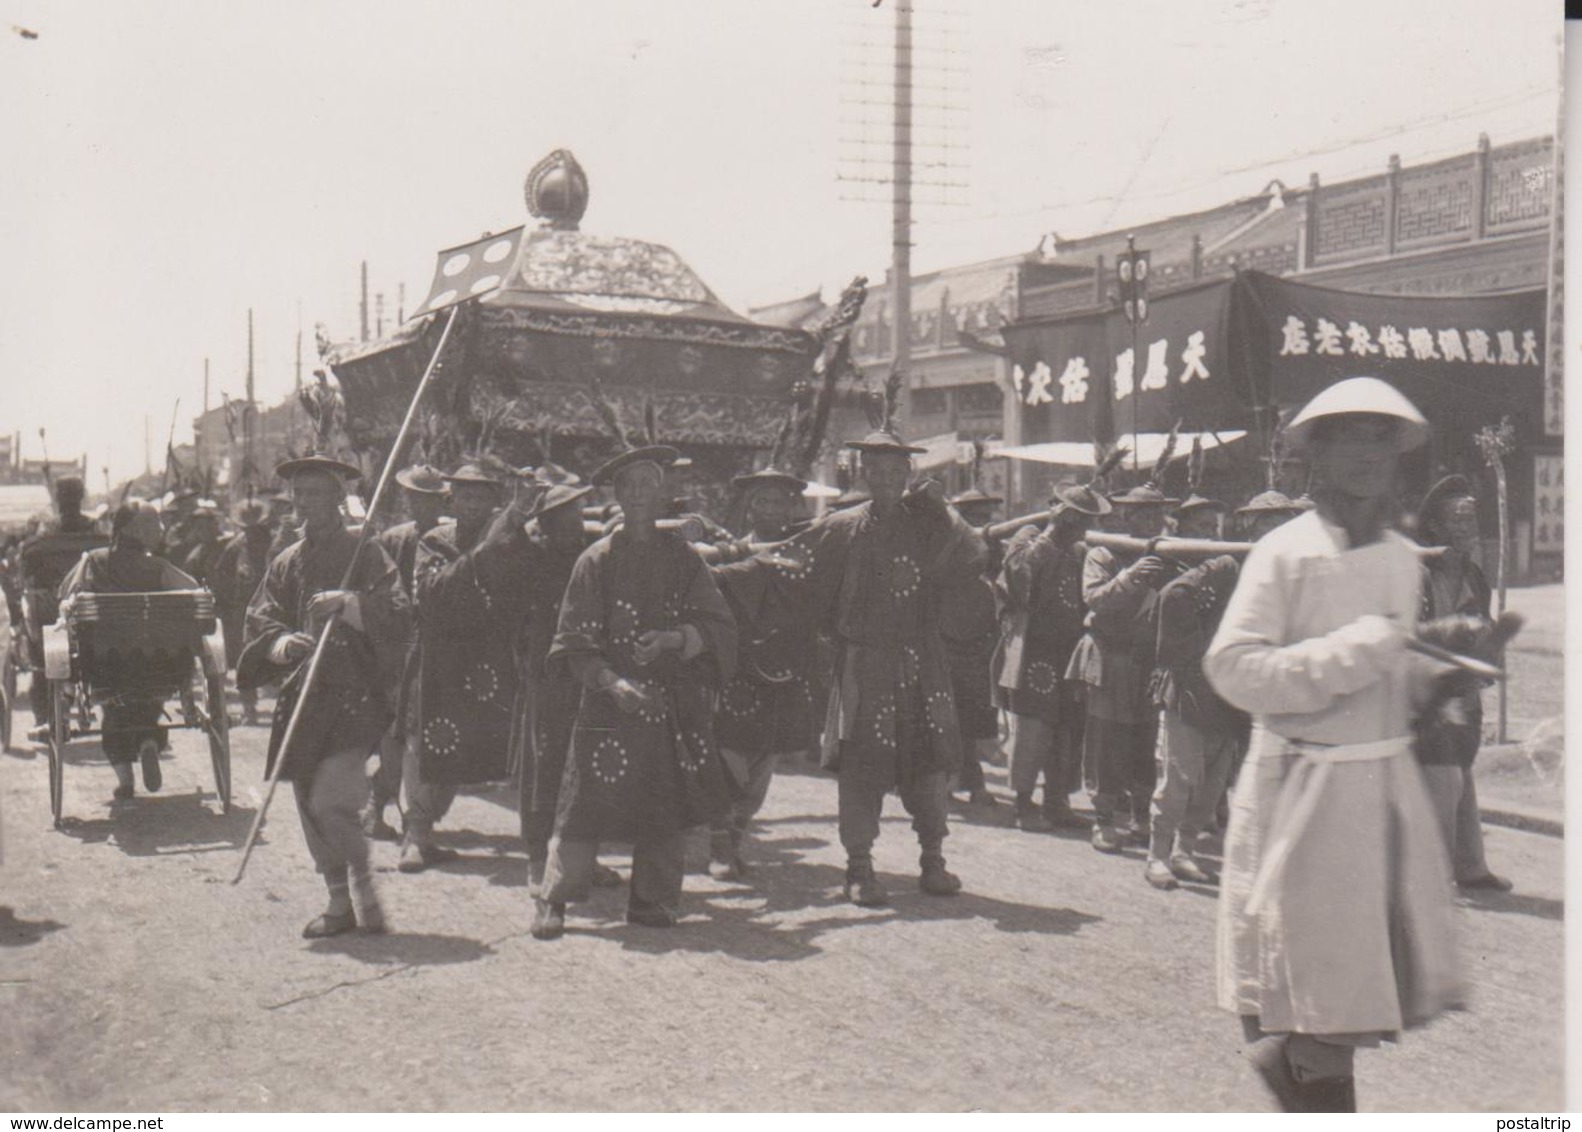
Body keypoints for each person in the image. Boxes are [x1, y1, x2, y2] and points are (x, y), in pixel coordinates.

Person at [1204, 377, 1465, 1112]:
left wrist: (1430, 672)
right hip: (1299, 794)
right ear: (1316, 450)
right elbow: (1232, 668)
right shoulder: (1283, 553)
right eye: (1349, 435)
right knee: (1310, 1010)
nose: (1367, 453)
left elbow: (1388, 675)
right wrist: (1353, 651)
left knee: (1343, 1007)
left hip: (1377, 801)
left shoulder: (1400, 555)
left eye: (1381, 437)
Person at [714, 410, 984, 906]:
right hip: (864, 665)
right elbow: (788, 562)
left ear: (908, 475)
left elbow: (973, 557)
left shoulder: (928, 522)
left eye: (894, 471)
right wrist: (727, 569)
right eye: (874, 470)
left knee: (928, 766)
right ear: (863, 473)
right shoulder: (842, 526)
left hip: (923, 664)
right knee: (863, 768)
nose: (884, 478)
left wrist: (944, 510)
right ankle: (859, 868)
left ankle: (933, 862)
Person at [533, 443, 737, 940]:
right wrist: (610, 680)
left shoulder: (685, 560)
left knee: (663, 798)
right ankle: (555, 898)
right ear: (617, 495)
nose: (641, 493)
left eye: (650, 483)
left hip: (668, 703)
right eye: (630, 485)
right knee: (582, 800)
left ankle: (651, 899)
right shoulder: (595, 561)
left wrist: (676, 638)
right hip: (605, 701)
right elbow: (572, 640)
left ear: (664, 490)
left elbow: (718, 624)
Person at [237, 454, 409, 939]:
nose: (305, 502)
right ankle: (341, 903)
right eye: (299, 494)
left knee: (332, 796)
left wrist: (351, 604)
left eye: (316, 492)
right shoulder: (287, 561)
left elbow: (399, 611)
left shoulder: (367, 552)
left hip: (355, 694)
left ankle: (362, 889)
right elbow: (262, 616)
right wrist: (282, 643)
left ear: (338, 497)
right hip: (304, 697)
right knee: (310, 801)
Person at [398, 463, 520, 873]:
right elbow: (431, 592)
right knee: (426, 743)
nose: (473, 504)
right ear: (453, 499)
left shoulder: (512, 541)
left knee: (468, 743)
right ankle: (417, 834)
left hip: (488, 657)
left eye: (482, 496)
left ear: (494, 502)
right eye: (465, 495)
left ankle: (430, 827)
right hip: (438, 657)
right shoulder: (434, 540)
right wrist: (483, 555)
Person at [707, 466, 820, 879]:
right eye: (762, 501)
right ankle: (720, 843)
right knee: (730, 755)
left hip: (785, 670)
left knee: (765, 760)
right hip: (737, 670)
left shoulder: (807, 554)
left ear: (791, 508)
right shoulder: (730, 552)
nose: (771, 509)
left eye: (779, 502)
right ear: (750, 507)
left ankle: (735, 840)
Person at [58, 500, 198, 801]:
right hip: (160, 662)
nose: (161, 529)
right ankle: (149, 741)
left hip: (104, 662)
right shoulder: (158, 566)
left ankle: (125, 780)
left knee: (114, 712)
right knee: (147, 705)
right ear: (139, 531)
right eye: (155, 524)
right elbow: (192, 592)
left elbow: (66, 594)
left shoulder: (93, 561)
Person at [1413, 474, 1512, 893]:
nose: (1467, 529)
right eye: (1458, 520)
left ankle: (1470, 865)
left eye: (1472, 520)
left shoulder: (1474, 575)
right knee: (1437, 777)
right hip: (1425, 688)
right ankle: (1430, 871)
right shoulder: (1419, 573)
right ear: (1434, 527)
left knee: (1462, 771)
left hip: (1462, 689)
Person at [1067, 481, 1177, 854]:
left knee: (1144, 741)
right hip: (1109, 657)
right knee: (1106, 741)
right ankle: (1104, 819)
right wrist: (1131, 577)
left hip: (1146, 661)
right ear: (1126, 515)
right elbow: (1094, 597)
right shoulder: (1104, 553)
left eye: (1157, 513)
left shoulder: (1172, 554)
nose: (1151, 520)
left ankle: (1141, 816)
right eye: (1142, 512)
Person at [993, 481, 1109, 832]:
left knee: (1068, 728)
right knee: (1034, 728)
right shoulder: (1029, 541)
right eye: (1078, 519)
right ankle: (1023, 805)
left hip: (1069, 649)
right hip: (1034, 651)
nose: (1084, 527)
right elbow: (1018, 582)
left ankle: (1057, 802)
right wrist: (1049, 535)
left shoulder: (1079, 552)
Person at [1144, 488, 1240, 890]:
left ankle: (1185, 851)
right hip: (1191, 688)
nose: (1209, 534)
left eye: (1213, 528)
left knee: (1214, 780)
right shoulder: (1224, 565)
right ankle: (1158, 856)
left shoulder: (1264, 568)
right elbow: (1174, 597)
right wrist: (1189, 660)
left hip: (1229, 692)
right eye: (1201, 528)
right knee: (1179, 775)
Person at [364, 464, 449, 840]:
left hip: (440, 645)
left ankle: (421, 814)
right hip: (399, 645)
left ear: (440, 500)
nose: (421, 505)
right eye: (415, 498)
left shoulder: (450, 536)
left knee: (431, 734)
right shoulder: (394, 539)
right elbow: (379, 590)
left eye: (428, 499)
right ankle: (376, 807)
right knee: (396, 735)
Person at [19, 476, 106, 729]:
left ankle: (43, 717)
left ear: (57, 499)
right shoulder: (95, 529)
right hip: (92, 611)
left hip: (52, 613)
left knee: (39, 655)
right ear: (82, 497)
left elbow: (28, 569)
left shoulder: (46, 532)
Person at [940, 486, 1004, 810]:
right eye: (973, 515)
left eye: (984, 515)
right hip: (945, 643)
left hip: (980, 647)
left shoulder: (993, 550)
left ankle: (974, 783)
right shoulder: (944, 544)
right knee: (946, 718)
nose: (980, 521)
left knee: (976, 720)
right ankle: (945, 784)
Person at [211, 499, 276, 726]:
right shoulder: (235, 546)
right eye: (248, 529)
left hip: (271, 606)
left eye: (256, 528)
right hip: (242, 610)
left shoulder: (274, 543)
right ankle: (250, 708)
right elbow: (221, 575)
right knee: (244, 657)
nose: (252, 533)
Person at [180, 501, 227, 587]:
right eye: (199, 527)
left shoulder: (227, 547)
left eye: (209, 526)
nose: (204, 531)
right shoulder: (195, 556)